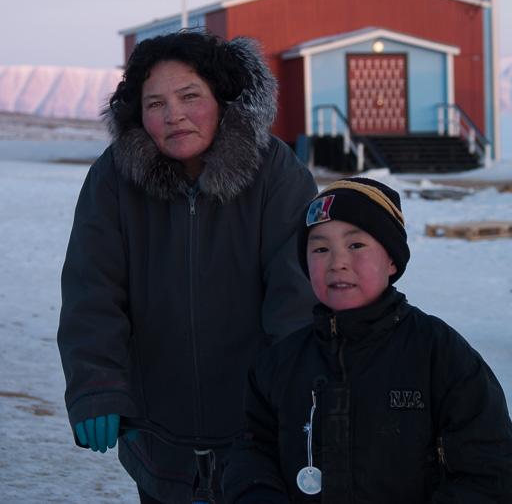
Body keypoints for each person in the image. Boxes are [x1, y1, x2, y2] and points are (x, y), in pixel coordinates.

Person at [57, 30, 318, 503]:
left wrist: (291, 404)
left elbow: (296, 300)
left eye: (189, 96)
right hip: (155, 433)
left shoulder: (276, 174)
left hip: (256, 436)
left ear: (223, 98)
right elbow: (92, 291)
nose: (172, 115)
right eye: (154, 103)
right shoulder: (114, 178)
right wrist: (97, 386)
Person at [223, 178, 512, 503]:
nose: (338, 262)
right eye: (320, 249)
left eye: (356, 245)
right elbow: (251, 450)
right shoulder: (279, 363)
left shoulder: (440, 354)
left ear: (391, 260)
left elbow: (489, 471)